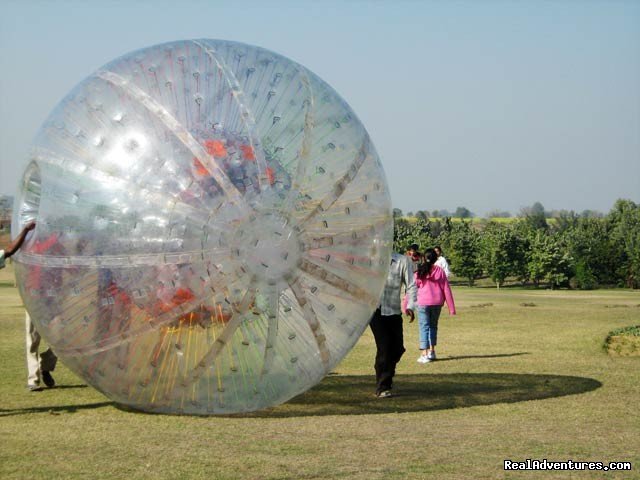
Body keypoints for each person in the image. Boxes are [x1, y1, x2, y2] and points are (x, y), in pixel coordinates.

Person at [0, 221, 56, 391]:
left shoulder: (55, 244)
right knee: (32, 339)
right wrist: (24, 230)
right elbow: (10, 251)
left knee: (59, 338)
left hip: (50, 299)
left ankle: (46, 365)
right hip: (33, 298)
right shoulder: (29, 248)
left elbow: (8, 251)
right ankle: (33, 380)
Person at [369, 252, 416, 398]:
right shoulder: (369, 260)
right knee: (384, 347)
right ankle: (383, 386)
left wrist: (410, 305)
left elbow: (412, 285)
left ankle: (384, 369)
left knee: (397, 348)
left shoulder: (402, 261)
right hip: (374, 311)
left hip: (393, 311)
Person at [415, 248, 456, 363]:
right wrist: (451, 308)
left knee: (424, 327)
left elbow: (412, 288)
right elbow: (446, 289)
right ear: (436, 258)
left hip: (423, 303)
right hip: (437, 303)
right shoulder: (440, 271)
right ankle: (432, 352)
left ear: (424, 258)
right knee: (433, 326)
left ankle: (424, 354)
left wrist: (406, 304)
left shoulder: (419, 271)